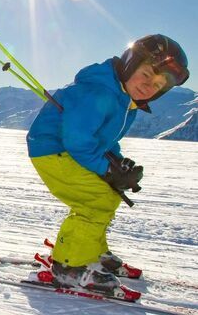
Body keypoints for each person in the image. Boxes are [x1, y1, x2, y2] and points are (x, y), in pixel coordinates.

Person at [26, 34, 189, 295]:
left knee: (109, 195)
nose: (149, 86)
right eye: (146, 74)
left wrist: (117, 163)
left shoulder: (126, 100)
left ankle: (91, 251)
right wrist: (106, 169)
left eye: (157, 84)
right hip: (53, 149)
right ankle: (71, 267)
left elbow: (104, 139)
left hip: (69, 149)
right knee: (95, 199)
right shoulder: (99, 91)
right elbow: (78, 140)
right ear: (130, 64)